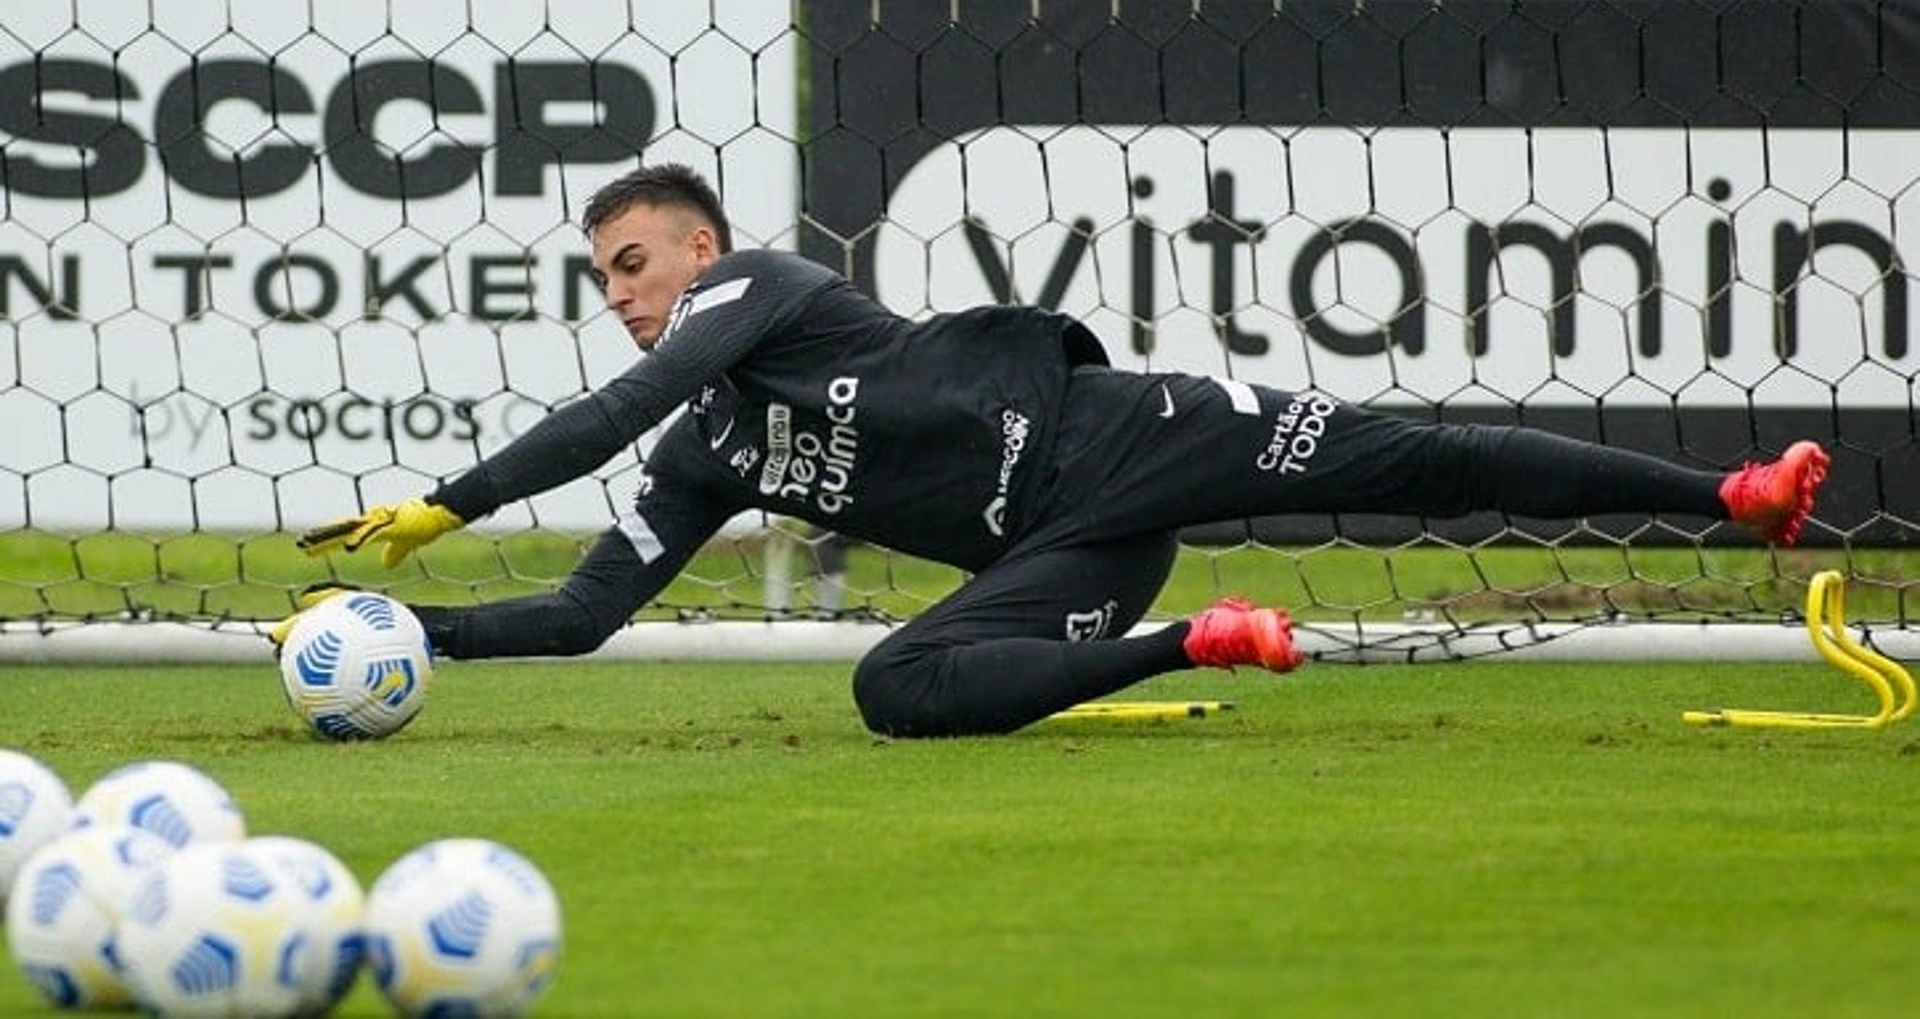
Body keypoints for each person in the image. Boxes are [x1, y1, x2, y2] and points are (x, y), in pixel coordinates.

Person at [294, 163, 1831, 738]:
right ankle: (1193, 640)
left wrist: (453, 496)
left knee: (1412, 459)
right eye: (605, 280)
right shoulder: (705, 449)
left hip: (1128, 434)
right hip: (1075, 557)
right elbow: (579, 617)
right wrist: (391, 628)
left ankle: (1732, 496)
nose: (623, 296)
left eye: (633, 262)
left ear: (697, 245)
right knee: (892, 689)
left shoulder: (758, 292)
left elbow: (616, 406)